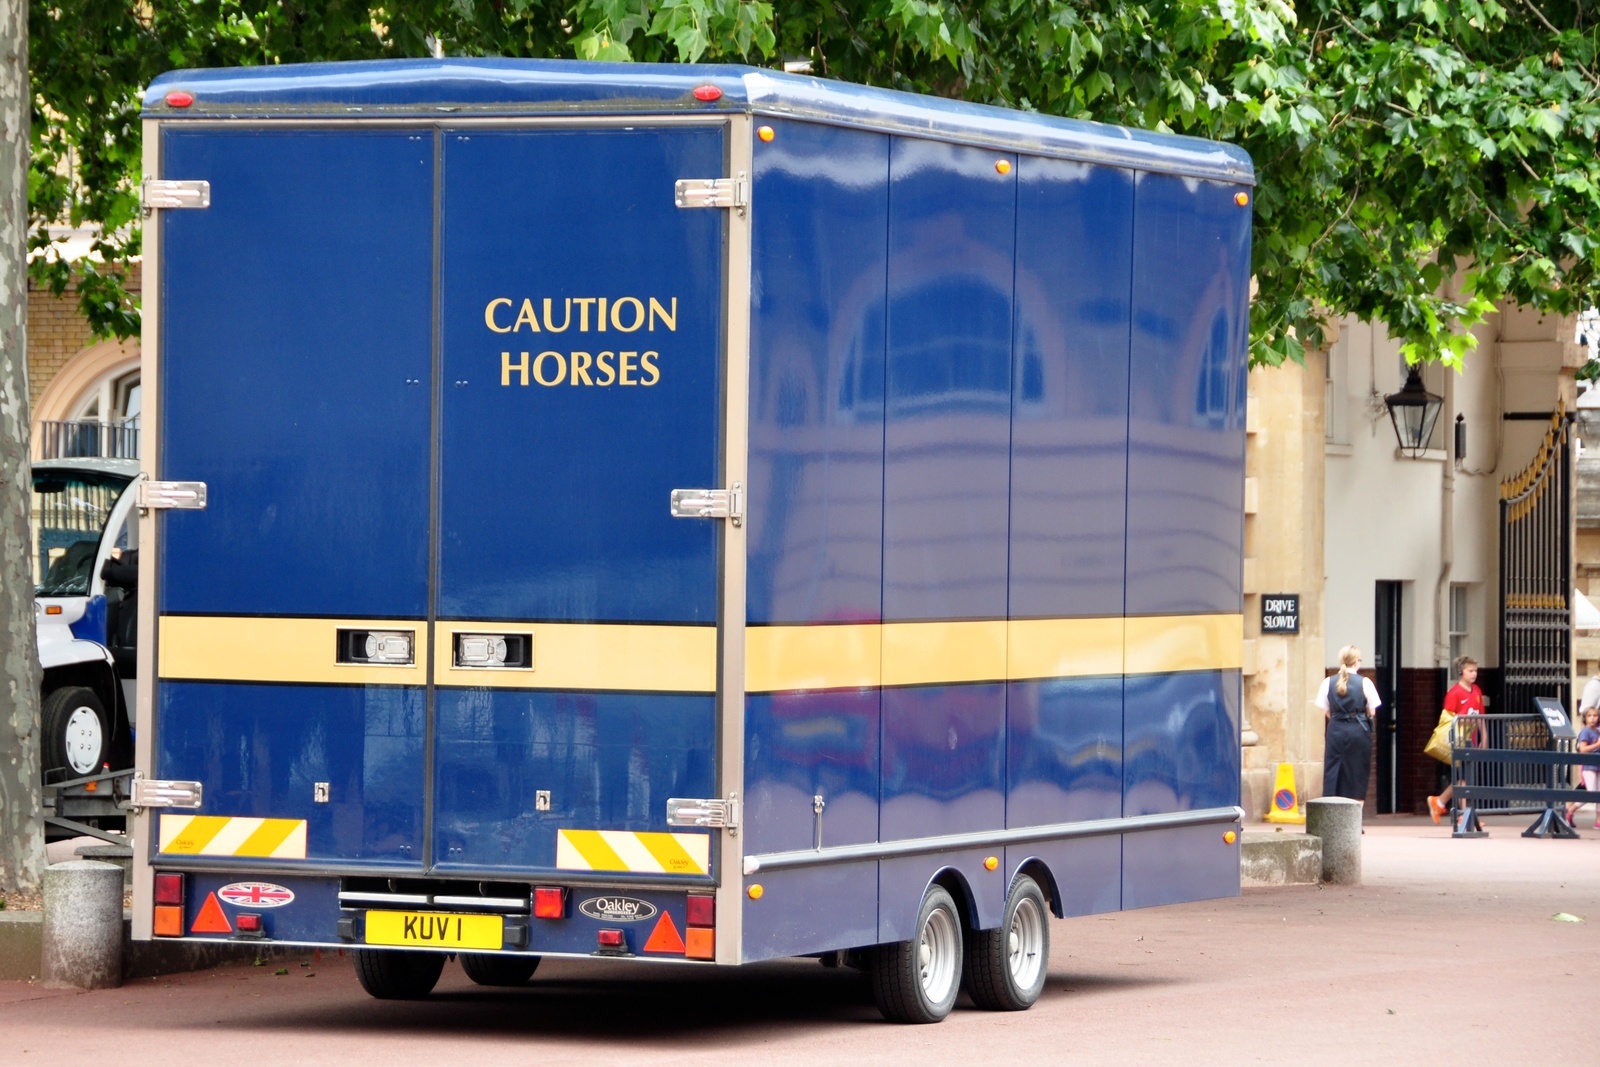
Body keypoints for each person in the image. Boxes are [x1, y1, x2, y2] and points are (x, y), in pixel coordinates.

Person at [1315, 645, 1380, 801]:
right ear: (1356, 661)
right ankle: (1355, 813)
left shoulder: (1328, 682)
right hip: (1358, 731)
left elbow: (1326, 711)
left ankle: (1331, 809)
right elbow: (1372, 711)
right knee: (1358, 772)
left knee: (1333, 770)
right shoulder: (1365, 682)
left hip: (1335, 730)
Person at [1428, 656, 1484, 824]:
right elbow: (1447, 719)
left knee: (1463, 778)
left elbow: (1480, 715)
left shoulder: (1477, 691)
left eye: (1475, 671)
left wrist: (1484, 736)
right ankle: (1463, 815)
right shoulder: (1454, 693)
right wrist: (1463, 720)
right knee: (1463, 778)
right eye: (1470, 671)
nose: (1474, 674)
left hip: (1471, 740)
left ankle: (1439, 802)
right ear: (1461, 672)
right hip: (1458, 741)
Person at [1565, 707, 1600, 829]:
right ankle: (1570, 811)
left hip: (1598, 764)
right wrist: (1597, 744)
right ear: (1585, 718)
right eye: (1590, 716)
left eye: (1595, 716)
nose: (1593, 718)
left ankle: (1598, 821)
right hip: (1589, 766)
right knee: (1591, 793)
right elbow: (1583, 749)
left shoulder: (1597, 731)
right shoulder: (1585, 732)